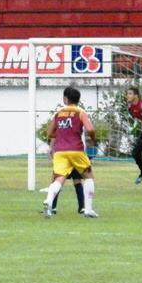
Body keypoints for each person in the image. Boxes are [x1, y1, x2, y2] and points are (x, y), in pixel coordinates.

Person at [42, 87, 98, 219]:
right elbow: (90, 128)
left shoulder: (59, 113)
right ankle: (88, 209)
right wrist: (93, 138)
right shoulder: (80, 112)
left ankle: (49, 202)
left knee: (59, 178)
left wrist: (63, 134)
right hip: (76, 150)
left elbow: (49, 133)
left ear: (65, 99)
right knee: (88, 177)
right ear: (78, 99)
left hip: (60, 152)